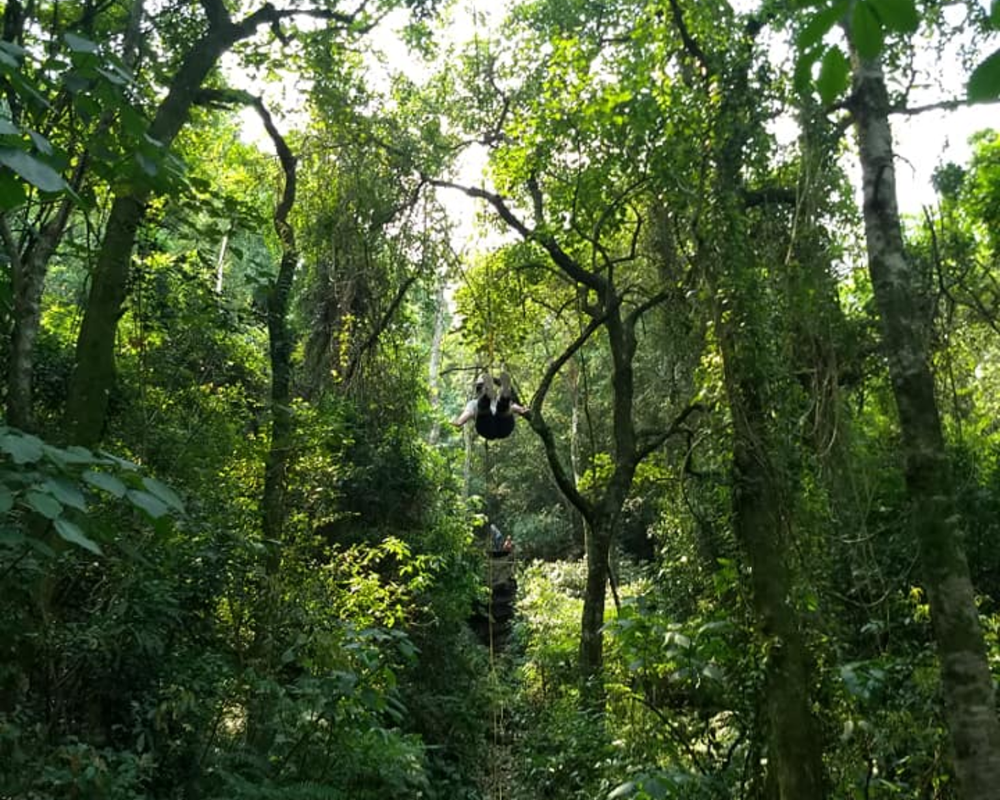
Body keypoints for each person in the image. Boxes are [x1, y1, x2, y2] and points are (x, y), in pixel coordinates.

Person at [452, 372, 529, 441]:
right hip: (487, 429)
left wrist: (520, 409)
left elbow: (512, 406)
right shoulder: (473, 403)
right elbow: (468, 413)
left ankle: (504, 393)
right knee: (482, 407)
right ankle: (486, 398)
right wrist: (459, 421)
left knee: (503, 406)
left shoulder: (498, 401)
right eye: (482, 387)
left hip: (504, 427)